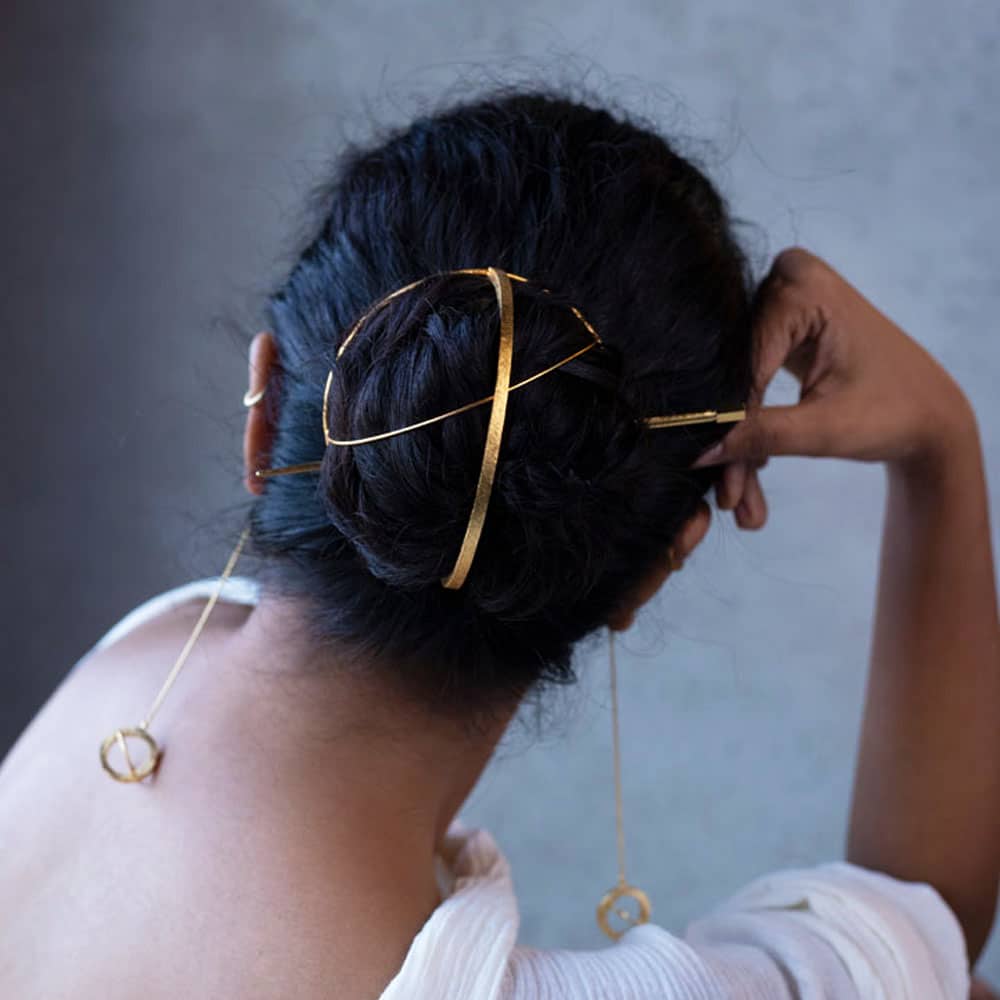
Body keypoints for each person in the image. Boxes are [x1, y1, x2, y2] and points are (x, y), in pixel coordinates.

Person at [0, 89, 997, 999]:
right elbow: (920, 933)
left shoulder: (138, 665)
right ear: (655, 568)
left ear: (263, 423)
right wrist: (940, 443)